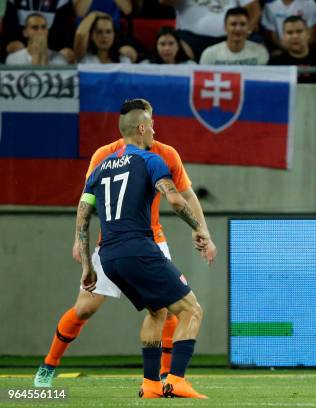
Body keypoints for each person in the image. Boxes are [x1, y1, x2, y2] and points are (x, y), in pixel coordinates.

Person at [33, 102, 217, 393]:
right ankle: (49, 364)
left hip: (137, 243)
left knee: (163, 310)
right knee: (86, 309)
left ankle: (161, 379)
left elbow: (86, 207)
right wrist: (198, 229)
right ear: (141, 125)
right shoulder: (119, 155)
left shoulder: (162, 153)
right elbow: (178, 199)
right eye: (151, 122)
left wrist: (204, 230)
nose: (155, 129)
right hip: (124, 243)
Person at [159, 0, 260, 62]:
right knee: (176, 45)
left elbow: (254, 10)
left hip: (230, 37)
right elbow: (163, 1)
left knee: (257, 42)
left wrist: (245, 33)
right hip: (191, 39)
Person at [269, 15, 316, 83]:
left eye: (299, 31)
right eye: (290, 33)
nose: (295, 36)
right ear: (283, 37)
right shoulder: (275, 64)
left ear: (308, 34)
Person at [199, 7, 268, 66]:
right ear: (225, 27)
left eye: (243, 24)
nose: (238, 29)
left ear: (248, 27)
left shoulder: (260, 52)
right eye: (233, 24)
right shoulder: (210, 54)